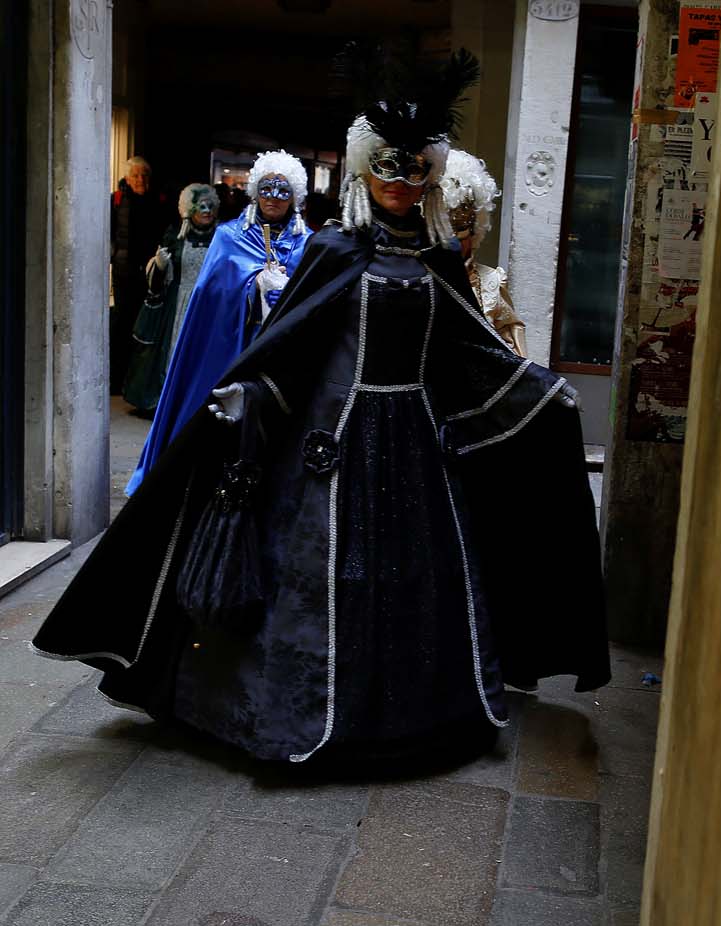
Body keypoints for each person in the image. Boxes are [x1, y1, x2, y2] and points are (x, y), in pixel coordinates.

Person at [31, 44, 609, 766]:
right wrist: (250, 394)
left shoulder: (438, 264)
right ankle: (301, 710)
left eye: (415, 166)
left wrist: (542, 392)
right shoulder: (333, 252)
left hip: (416, 449)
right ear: (364, 165)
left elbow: (469, 357)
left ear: (432, 169)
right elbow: (289, 348)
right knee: (320, 578)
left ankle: (412, 715)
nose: (399, 180)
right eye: (386, 164)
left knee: (409, 579)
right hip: (327, 445)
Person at [125, 150, 312, 496]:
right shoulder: (229, 237)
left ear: (296, 196)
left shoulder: (307, 243)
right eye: (267, 189)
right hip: (231, 350)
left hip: (282, 356)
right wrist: (252, 285)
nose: (273, 197)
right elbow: (211, 297)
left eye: (283, 190)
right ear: (255, 191)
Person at [122, 183, 221, 416]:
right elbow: (157, 281)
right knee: (173, 351)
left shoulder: (223, 237)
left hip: (207, 305)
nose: (206, 211)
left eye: (210, 207)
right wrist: (160, 265)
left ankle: (194, 403)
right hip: (177, 304)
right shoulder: (176, 235)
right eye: (201, 206)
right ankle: (166, 402)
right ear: (189, 209)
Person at [439, 148, 527, 357]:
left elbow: (514, 355)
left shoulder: (492, 283)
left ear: (475, 231)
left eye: (459, 235)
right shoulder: (410, 277)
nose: (451, 247)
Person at [111, 157, 168, 393]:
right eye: (136, 175)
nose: (140, 180)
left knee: (145, 326)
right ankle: (117, 379)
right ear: (127, 178)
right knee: (122, 325)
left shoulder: (158, 201)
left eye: (144, 175)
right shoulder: (116, 200)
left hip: (149, 273)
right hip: (124, 272)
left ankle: (140, 380)